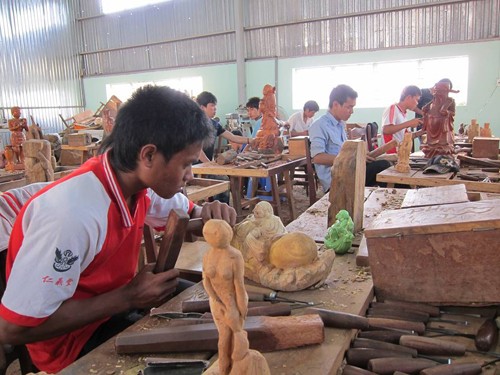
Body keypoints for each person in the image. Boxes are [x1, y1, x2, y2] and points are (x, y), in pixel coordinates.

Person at [0, 85, 237, 374]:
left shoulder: (134, 181)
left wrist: (208, 213)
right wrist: (128, 297)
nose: (190, 175)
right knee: (201, 357)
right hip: (72, 342)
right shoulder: (73, 215)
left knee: (222, 309)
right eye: (186, 164)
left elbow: (187, 212)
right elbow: (12, 330)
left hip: (117, 305)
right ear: (148, 155)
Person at [309, 84, 391, 192]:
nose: (352, 111)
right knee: (382, 166)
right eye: (349, 107)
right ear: (335, 104)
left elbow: (344, 152)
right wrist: (352, 158)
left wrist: (359, 156)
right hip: (337, 182)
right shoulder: (319, 125)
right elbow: (317, 158)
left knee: (386, 165)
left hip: (349, 172)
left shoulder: (340, 124)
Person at [196, 91, 252, 163]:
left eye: (215, 105)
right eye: (212, 105)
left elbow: (233, 138)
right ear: (202, 107)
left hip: (206, 167)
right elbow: (197, 149)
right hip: (193, 167)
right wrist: (208, 164)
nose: (215, 108)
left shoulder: (215, 125)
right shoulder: (195, 124)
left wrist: (251, 140)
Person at [421, 80, 458, 158]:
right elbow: (426, 108)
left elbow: (453, 113)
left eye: (441, 90)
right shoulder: (434, 100)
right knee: (429, 146)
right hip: (432, 125)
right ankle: (432, 149)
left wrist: (447, 112)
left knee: (443, 146)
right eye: (437, 90)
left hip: (443, 126)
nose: (438, 93)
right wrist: (425, 108)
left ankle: (442, 149)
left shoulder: (450, 100)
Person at [381, 85, 423, 154]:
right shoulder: (393, 108)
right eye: (416, 100)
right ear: (409, 97)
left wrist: (422, 131)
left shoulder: (403, 114)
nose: (417, 103)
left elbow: (403, 137)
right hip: (391, 154)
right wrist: (409, 123)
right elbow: (386, 130)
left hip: (401, 153)